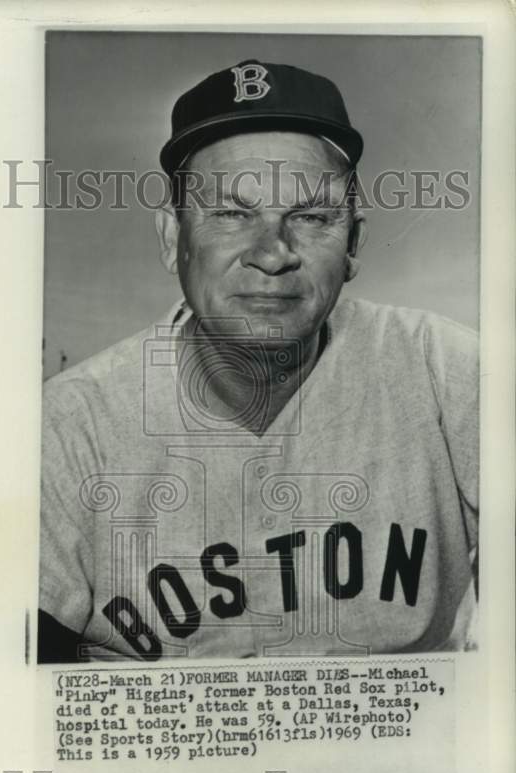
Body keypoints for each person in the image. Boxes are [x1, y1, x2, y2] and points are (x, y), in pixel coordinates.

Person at [37, 58, 478, 662]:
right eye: (230, 214)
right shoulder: (69, 428)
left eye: (312, 217)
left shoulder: (444, 370)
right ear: (173, 238)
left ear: (353, 244)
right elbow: (4, 689)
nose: (273, 254)